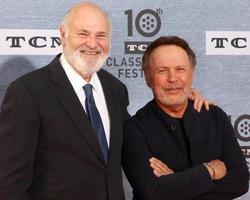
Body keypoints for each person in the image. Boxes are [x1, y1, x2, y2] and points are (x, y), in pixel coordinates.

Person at [0, 2, 210, 200]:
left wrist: (181, 100)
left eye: (101, 35)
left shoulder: (115, 89)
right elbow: (10, 185)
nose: (92, 43)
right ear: (63, 34)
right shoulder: (28, 91)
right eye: (83, 34)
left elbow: (134, 143)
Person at [122, 36, 249, 200]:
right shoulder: (133, 129)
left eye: (180, 69)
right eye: (162, 70)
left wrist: (174, 184)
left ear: (192, 75)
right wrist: (208, 170)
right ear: (147, 77)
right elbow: (152, 193)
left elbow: (240, 181)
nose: (172, 78)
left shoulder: (216, 116)